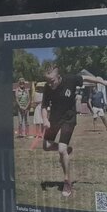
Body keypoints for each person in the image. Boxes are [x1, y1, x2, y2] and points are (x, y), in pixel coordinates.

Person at [30, 65, 83, 197]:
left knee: (61, 150)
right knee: (46, 146)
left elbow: (86, 78)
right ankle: (66, 149)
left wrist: (102, 81)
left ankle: (67, 182)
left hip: (68, 119)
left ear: (58, 77)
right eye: (47, 81)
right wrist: (45, 119)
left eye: (52, 80)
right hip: (54, 119)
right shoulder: (48, 88)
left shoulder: (70, 79)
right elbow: (44, 106)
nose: (49, 83)